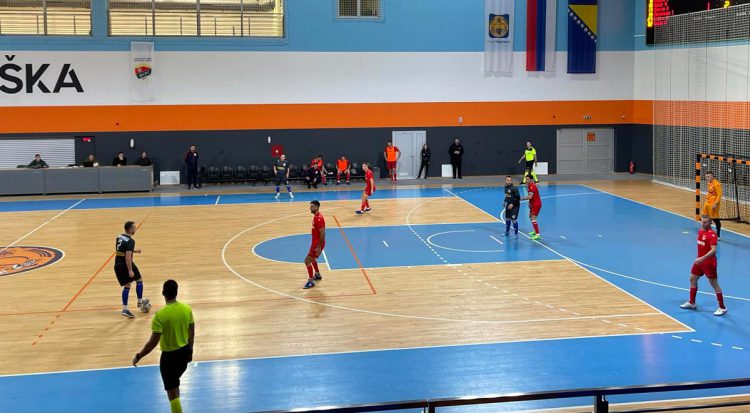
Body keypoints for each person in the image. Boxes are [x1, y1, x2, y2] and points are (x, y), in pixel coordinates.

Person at [132, 279, 195, 413]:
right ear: (176, 292)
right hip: (184, 354)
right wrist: (190, 350)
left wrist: (139, 356)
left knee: (172, 396)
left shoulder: (160, 315)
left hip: (169, 359)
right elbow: (191, 331)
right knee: (175, 386)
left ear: (163, 293)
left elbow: (153, 342)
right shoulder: (186, 309)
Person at [680, 215, 726, 316]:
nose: (703, 224)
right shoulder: (700, 231)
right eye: (702, 222)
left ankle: (722, 308)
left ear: (710, 223)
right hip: (699, 261)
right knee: (692, 279)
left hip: (709, 263)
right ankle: (692, 302)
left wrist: (702, 259)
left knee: (714, 284)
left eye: (705, 222)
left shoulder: (712, 235)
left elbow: (713, 251)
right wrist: (700, 259)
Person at [114, 221, 149, 318]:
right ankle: (137, 303)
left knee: (130, 284)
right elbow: (128, 257)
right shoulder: (131, 241)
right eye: (134, 228)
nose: (135, 229)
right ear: (130, 229)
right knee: (137, 281)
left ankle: (127, 308)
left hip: (118, 264)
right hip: (125, 264)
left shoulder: (119, 237)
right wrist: (130, 270)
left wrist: (135, 251)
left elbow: (122, 250)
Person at [304, 200, 325, 289]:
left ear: (316, 207)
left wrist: (319, 246)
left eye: (312, 206)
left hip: (317, 244)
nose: (310, 208)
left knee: (307, 261)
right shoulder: (316, 217)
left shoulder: (319, 218)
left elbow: (323, 233)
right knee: (312, 259)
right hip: (315, 243)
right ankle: (317, 274)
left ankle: (311, 281)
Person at [521, 173, 542, 240]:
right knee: (530, 216)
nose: (526, 180)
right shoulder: (529, 186)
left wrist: (522, 198)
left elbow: (530, 196)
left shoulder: (532, 187)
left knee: (533, 218)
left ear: (531, 180)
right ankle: (535, 230)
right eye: (526, 179)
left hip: (536, 204)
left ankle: (538, 235)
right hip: (533, 204)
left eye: (527, 179)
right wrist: (529, 203)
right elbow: (531, 198)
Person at [702, 171, 722, 239]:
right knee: (705, 217)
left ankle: (718, 235)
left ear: (712, 176)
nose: (707, 178)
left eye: (708, 176)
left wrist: (716, 203)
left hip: (713, 204)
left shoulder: (717, 184)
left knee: (715, 219)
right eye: (706, 177)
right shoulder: (709, 183)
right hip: (707, 203)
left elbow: (719, 195)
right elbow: (710, 193)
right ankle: (708, 232)